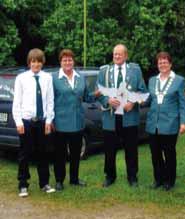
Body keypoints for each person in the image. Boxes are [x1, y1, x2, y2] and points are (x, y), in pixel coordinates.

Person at [97, 44, 146, 187]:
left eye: (119, 54)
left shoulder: (135, 71)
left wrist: (132, 102)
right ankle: (110, 176)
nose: (117, 57)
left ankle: (132, 177)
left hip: (129, 116)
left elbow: (143, 92)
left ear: (126, 56)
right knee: (109, 149)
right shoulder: (104, 71)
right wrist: (107, 100)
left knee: (131, 149)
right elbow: (99, 92)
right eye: (114, 54)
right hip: (110, 117)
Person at [52, 49, 100, 191]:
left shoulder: (80, 77)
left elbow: (87, 97)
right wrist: (50, 120)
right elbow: (49, 100)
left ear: (73, 61)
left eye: (70, 60)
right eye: (65, 60)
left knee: (75, 153)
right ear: (61, 62)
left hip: (78, 122)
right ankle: (59, 180)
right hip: (60, 123)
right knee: (60, 155)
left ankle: (74, 179)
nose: (68, 62)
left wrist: (97, 93)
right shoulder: (54, 78)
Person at [12, 48, 55, 197]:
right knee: (25, 154)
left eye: (38, 61)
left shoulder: (47, 78)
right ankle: (23, 184)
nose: (36, 64)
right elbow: (16, 102)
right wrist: (19, 122)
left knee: (43, 153)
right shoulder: (21, 78)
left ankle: (44, 183)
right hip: (26, 121)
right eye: (33, 61)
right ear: (29, 62)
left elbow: (50, 101)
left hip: (42, 121)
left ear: (42, 62)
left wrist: (49, 121)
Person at [145, 52, 185, 191]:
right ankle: (158, 179)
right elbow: (148, 99)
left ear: (170, 64)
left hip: (170, 123)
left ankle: (169, 180)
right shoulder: (152, 80)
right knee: (155, 153)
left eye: (165, 62)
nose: (162, 64)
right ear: (157, 65)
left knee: (169, 153)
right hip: (153, 123)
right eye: (160, 62)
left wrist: (183, 122)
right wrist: (136, 99)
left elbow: (183, 103)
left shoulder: (179, 80)